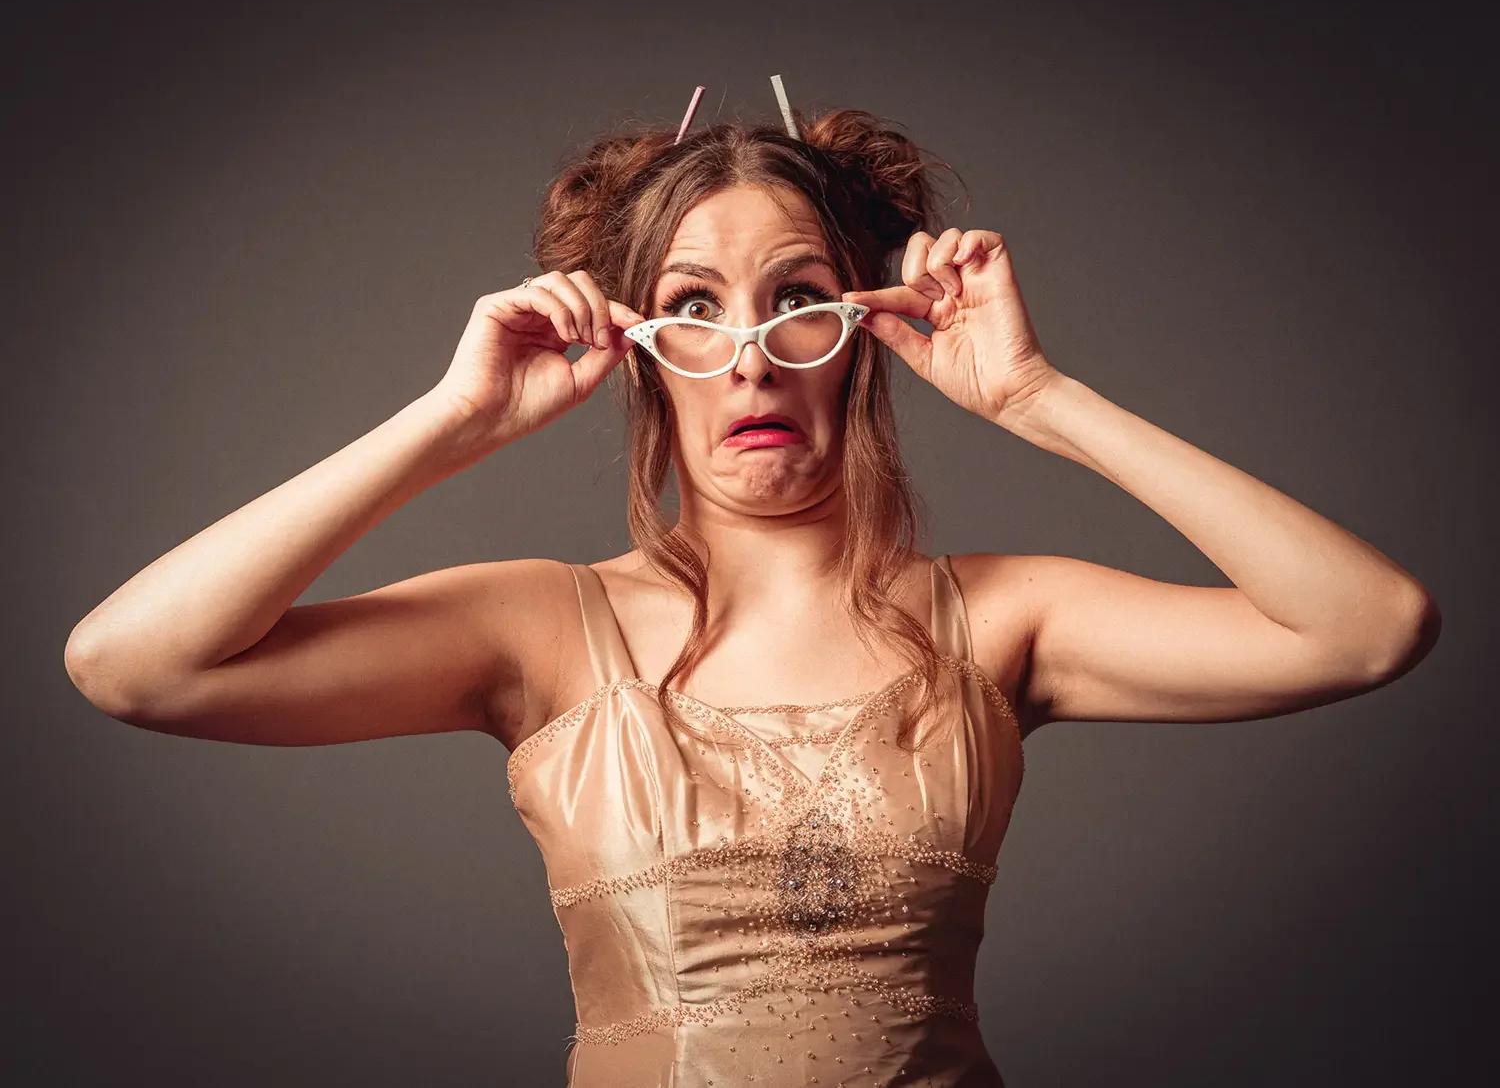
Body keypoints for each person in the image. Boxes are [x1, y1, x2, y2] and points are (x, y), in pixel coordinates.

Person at [63, 94, 1441, 1088]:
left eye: (796, 300)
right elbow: (135, 666)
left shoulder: (1005, 620)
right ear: (642, 347)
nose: (750, 361)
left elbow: (1371, 628)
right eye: (694, 306)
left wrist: (1038, 396)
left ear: (863, 335)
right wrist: (450, 422)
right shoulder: (542, 630)